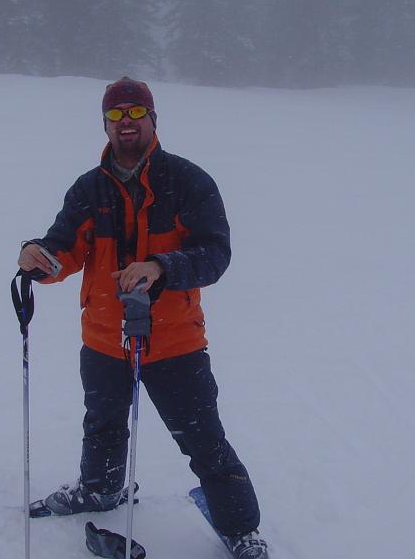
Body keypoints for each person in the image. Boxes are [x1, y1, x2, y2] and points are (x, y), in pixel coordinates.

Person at [17, 77, 268, 559]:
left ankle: (241, 529)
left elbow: (215, 254)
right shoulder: (89, 189)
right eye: (116, 115)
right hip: (104, 339)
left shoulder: (189, 182)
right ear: (105, 124)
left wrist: (161, 267)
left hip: (174, 342)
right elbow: (65, 249)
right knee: (103, 427)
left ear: (153, 119)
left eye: (136, 113)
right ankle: (101, 489)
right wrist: (39, 257)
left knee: (204, 441)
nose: (126, 123)